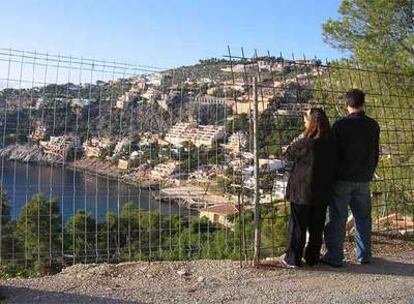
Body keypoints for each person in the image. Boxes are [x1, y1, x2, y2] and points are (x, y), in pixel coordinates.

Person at [323, 89, 380, 267]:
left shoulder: (340, 125)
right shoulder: (373, 125)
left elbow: (332, 153)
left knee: (337, 218)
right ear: (363, 103)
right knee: (363, 218)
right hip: (363, 178)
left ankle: (335, 256)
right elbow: (376, 152)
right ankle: (364, 255)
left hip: (342, 178)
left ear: (346, 104)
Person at [280, 108, 337, 268]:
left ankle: (293, 258)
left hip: (301, 191)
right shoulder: (332, 144)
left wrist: (301, 137)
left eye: (305, 118)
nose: (304, 121)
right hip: (323, 191)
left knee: (298, 226)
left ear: (311, 123)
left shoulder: (304, 144)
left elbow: (287, 155)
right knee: (316, 226)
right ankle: (312, 257)